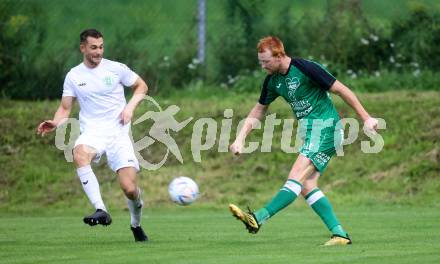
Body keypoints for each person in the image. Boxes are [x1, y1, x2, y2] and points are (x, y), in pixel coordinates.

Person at [228, 36, 379, 246]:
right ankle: (340, 234)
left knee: (295, 177)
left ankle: (258, 218)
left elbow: (341, 90)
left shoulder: (306, 68)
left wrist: (366, 118)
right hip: (310, 132)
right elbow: (259, 109)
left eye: (266, 61)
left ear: (279, 56)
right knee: (307, 185)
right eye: (260, 62)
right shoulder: (273, 81)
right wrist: (240, 138)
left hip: (326, 128)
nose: (262, 66)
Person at [37, 29, 149, 242]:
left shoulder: (115, 69)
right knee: (79, 154)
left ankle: (136, 224)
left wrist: (131, 107)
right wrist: (55, 122)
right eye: (93, 48)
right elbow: (64, 108)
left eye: (101, 47)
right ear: (82, 48)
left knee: (130, 189)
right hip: (93, 133)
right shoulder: (74, 76)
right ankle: (101, 209)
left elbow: (141, 86)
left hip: (118, 134)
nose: (98, 52)